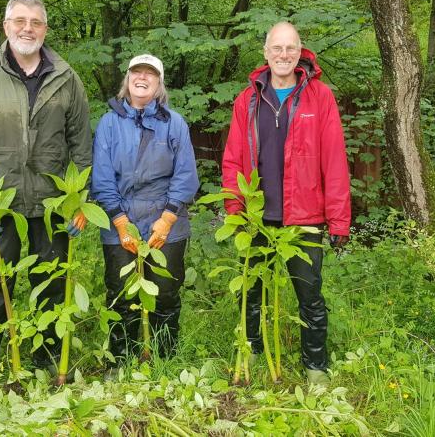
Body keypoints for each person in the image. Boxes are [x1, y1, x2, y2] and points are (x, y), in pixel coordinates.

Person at [0, 0, 92, 403]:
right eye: (20, 21)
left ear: (45, 29)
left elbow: (81, 144)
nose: (27, 28)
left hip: (52, 201)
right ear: (6, 25)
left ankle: (47, 360)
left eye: (36, 22)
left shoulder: (67, 77)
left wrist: (77, 198)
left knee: (51, 280)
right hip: (1, 200)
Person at [221, 21, 351, 385]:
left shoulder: (319, 96)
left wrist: (339, 220)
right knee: (251, 292)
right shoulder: (246, 100)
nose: (283, 54)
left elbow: (335, 161)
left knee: (309, 295)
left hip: (304, 217)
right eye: (276, 48)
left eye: (289, 48)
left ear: (299, 53)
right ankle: (253, 355)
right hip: (257, 216)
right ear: (265, 52)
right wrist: (236, 211)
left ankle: (315, 367)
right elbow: (232, 159)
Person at [91, 54, 199, 373]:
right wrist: (121, 224)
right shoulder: (109, 123)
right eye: (136, 71)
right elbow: (101, 176)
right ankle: (120, 363)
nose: (142, 77)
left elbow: (186, 175)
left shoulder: (174, 123)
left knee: (165, 293)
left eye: (150, 74)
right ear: (127, 79)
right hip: (119, 220)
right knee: (121, 294)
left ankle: (165, 360)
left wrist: (166, 221)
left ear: (159, 83)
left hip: (165, 219)